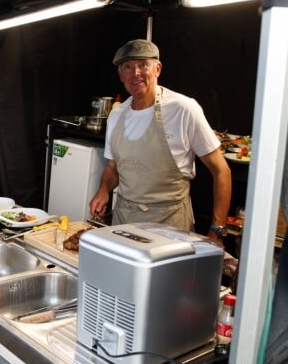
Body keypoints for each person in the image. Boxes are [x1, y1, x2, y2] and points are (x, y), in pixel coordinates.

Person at [89, 39, 231, 244]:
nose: (135, 73)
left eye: (143, 65)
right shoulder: (116, 115)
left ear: (157, 68)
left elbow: (221, 170)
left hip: (169, 226)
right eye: (127, 67)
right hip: (123, 224)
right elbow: (113, 167)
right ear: (121, 75)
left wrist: (217, 229)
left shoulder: (183, 109)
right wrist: (103, 189)